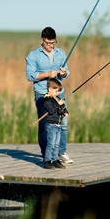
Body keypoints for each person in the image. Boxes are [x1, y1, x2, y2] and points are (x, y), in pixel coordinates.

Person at [26, 27, 73, 164]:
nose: (51, 45)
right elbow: (30, 76)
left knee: (62, 124)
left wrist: (64, 73)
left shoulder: (61, 54)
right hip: (42, 94)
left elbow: (67, 72)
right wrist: (47, 74)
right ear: (42, 40)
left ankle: (61, 153)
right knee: (45, 126)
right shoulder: (33, 56)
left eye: (53, 42)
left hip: (59, 94)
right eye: (48, 43)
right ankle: (46, 154)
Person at [42, 78, 69, 169]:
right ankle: (47, 161)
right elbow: (52, 110)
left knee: (56, 144)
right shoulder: (46, 100)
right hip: (51, 125)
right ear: (50, 89)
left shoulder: (56, 98)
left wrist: (65, 111)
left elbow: (62, 107)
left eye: (58, 92)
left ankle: (55, 159)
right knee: (51, 144)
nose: (57, 93)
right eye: (56, 91)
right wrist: (59, 104)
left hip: (58, 125)